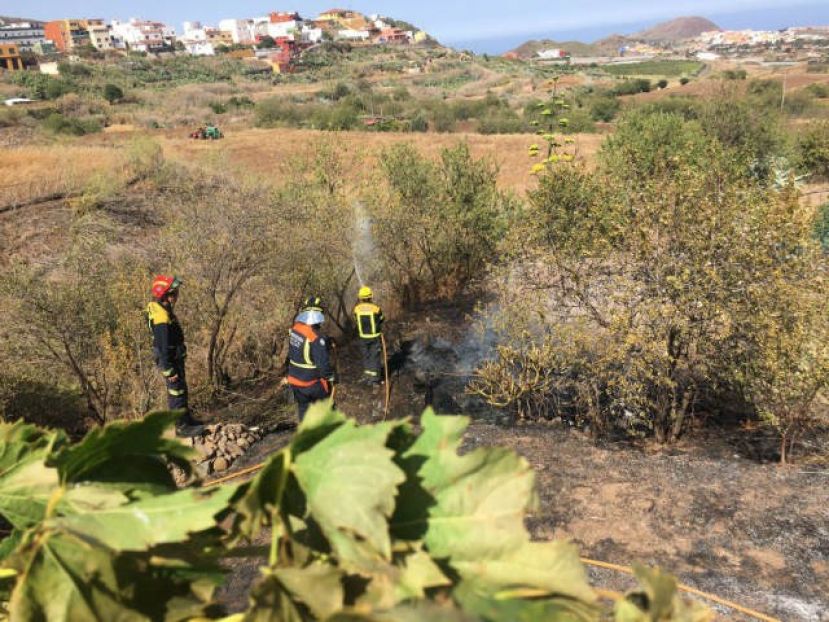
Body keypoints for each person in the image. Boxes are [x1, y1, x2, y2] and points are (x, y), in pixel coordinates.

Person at [147, 275, 204, 437]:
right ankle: (181, 427)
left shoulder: (162, 308)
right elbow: (163, 347)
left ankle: (186, 419)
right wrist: (169, 370)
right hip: (169, 358)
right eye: (175, 293)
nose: (177, 295)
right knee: (176, 391)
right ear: (166, 296)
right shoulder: (161, 318)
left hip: (174, 356)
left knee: (182, 389)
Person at [286, 295, 336, 421]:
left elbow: (302, 347)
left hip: (294, 381)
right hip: (310, 383)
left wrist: (327, 341)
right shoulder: (316, 337)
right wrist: (332, 376)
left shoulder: (295, 329)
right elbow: (323, 367)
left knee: (304, 408)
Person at [353, 286, 385, 385]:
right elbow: (381, 319)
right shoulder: (376, 309)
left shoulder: (356, 309)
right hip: (374, 337)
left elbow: (356, 320)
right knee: (374, 357)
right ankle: (375, 380)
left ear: (360, 298)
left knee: (366, 356)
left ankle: (367, 376)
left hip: (362, 337)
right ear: (370, 297)